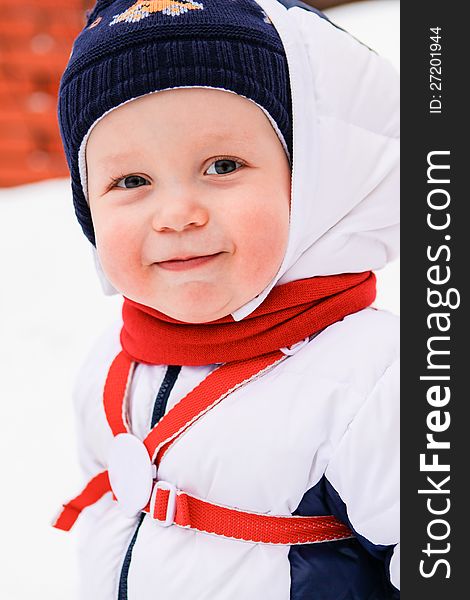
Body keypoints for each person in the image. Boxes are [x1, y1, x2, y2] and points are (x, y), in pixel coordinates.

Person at [52, 1, 400, 598]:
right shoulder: (113, 363)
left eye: (222, 165)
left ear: (310, 179)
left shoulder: (376, 379)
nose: (178, 215)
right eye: (130, 181)